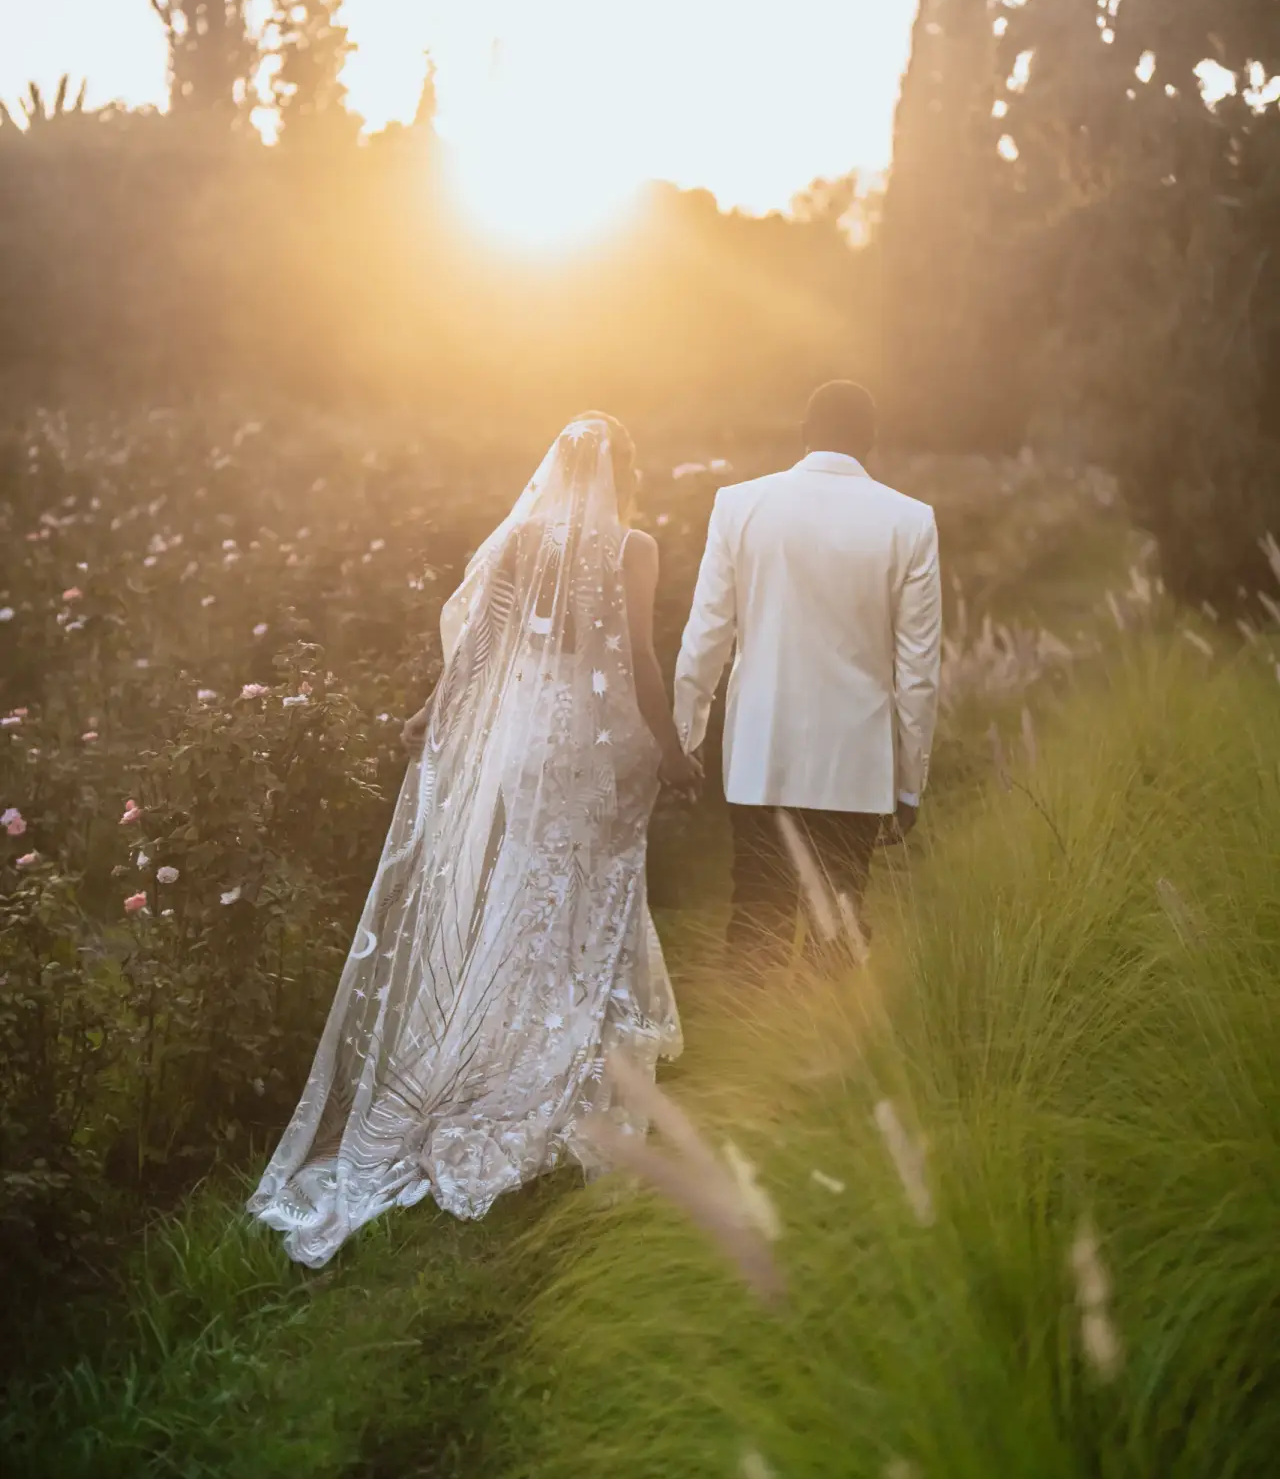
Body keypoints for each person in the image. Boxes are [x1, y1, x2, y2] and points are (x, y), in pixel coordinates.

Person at [249, 414, 698, 1266]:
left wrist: (430, 710)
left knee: (519, 881)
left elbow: (483, 648)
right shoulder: (632, 548)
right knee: (581, 890)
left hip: (522, 737)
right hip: (591, 743)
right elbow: (639, 657)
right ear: (620, 471)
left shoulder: (523, 537)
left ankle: (494, 1033)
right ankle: (555, 1055)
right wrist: (670, 751)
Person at [673, 381, 942, 959]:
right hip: (856, 760)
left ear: (802, 435)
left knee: (756, 913)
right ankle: (825, 1043)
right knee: (841, 926)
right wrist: (909, 782)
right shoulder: (911, 522)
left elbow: (707, 633)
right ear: (871, 442)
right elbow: (919, 672)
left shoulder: (738, 505)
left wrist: (687, 734)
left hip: (760, 752)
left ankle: (752, 1037)